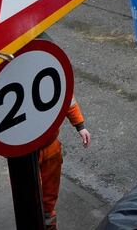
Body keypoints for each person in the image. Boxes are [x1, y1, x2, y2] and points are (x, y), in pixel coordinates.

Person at [39, 97, 91, 230]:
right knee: (31, 201)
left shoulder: (52, 76)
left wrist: (80, 126)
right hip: (24, 156)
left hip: (51, 148)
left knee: (48, 202)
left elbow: (66, 97)